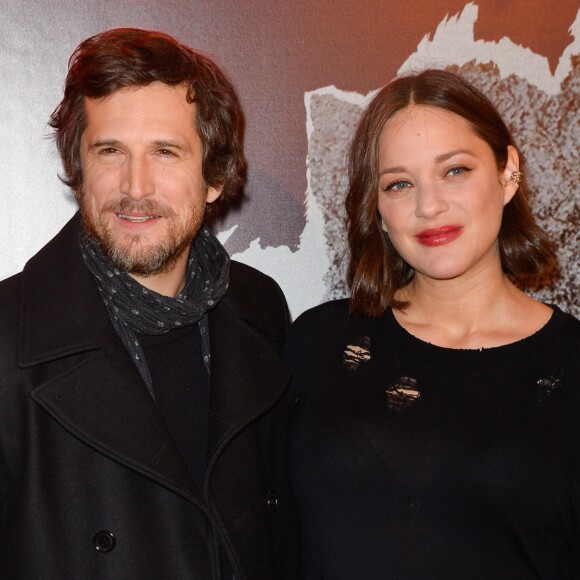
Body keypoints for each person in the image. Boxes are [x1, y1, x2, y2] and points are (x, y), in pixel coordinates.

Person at [0, 28, 296, 579]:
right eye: (110, 151)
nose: (136, 186)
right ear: (79, 168)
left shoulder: (261, 312)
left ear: (214, 177)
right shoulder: (7, 337)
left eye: (166, 152)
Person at [285, 69, 580, 578]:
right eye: (399, 183)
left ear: (508, 172)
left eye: (455, 170)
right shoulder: (318, 345)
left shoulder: (572, 368)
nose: (429, 206)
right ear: (377, 210)